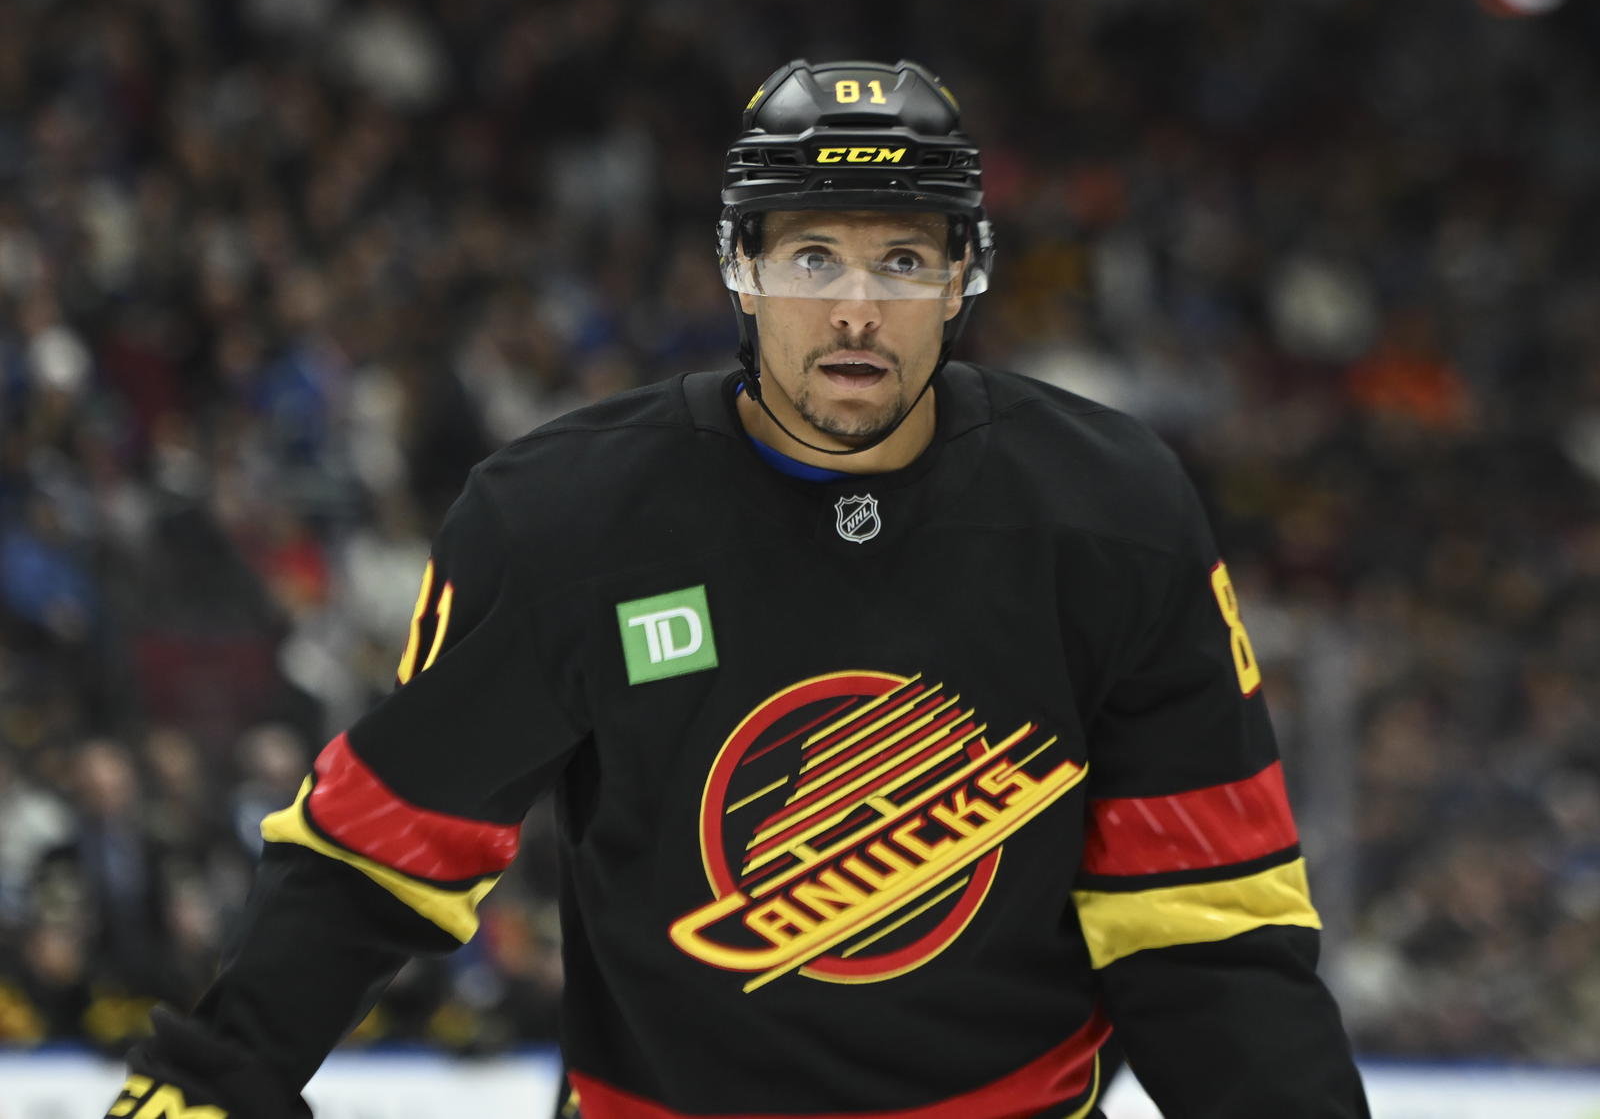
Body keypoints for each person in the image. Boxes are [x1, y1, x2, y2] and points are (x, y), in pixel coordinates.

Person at [104, 59, 1370, 1119]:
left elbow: (1204, 926)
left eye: (903, 261)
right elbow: (382, 853)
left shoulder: (1112, 514)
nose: (857, 311)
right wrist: (214, 1076)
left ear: (964, 275)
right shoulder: (564, 519)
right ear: (740, 267)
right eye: (813, 257)